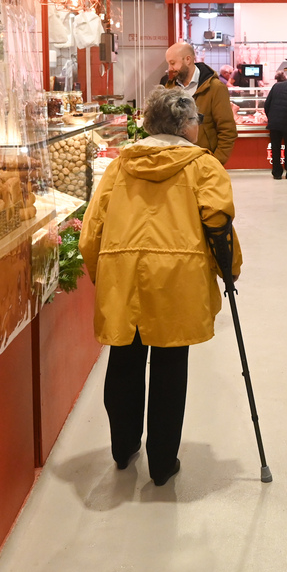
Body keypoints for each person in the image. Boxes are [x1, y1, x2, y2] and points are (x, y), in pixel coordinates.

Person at [79, 86, 243, 486]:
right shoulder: (203, 167)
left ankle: (122, 449)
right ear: (186, 125)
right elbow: (218, 224)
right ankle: (163, 462)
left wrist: (102, 274)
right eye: (196, 121)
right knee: (171, 366)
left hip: (125, 275)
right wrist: (230, 270)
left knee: (124, 360)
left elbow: (90, 231)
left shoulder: (120, 166)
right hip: (178, 279)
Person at [160, 42, 237, 165]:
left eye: (173, 63)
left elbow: (227, 130)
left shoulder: (215, 88)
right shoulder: (170, 88)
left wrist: (215, 163)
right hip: (175, 163)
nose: (169, 68)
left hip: (204, 163)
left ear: (188, 60)